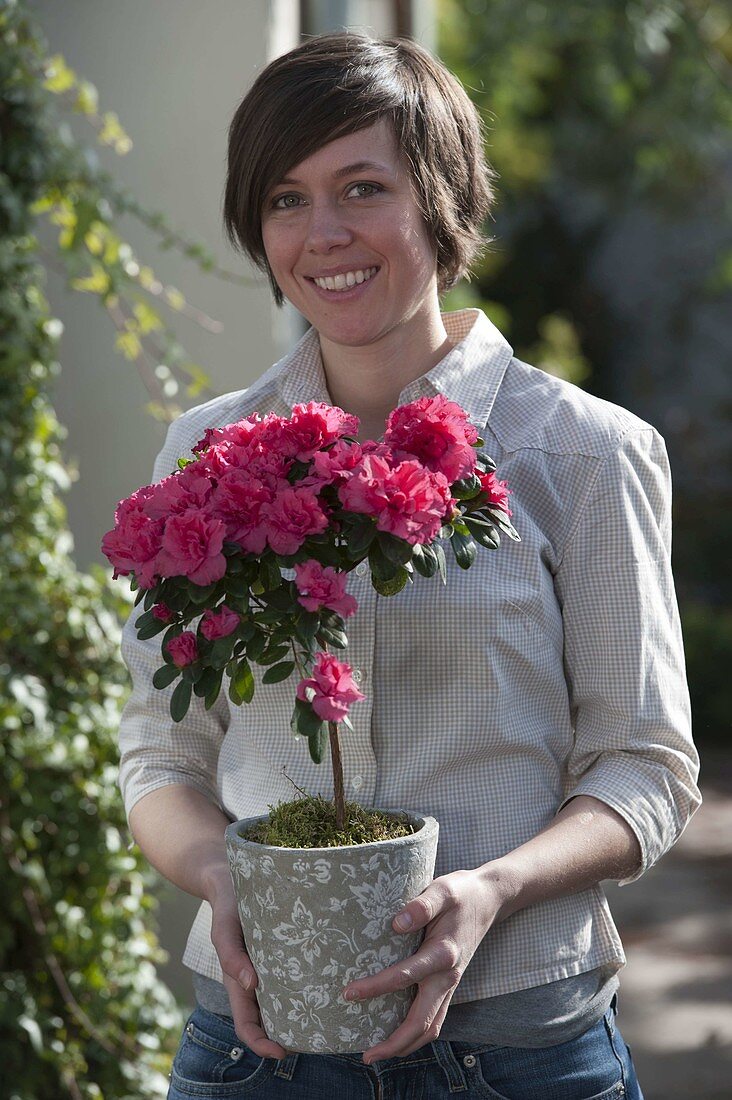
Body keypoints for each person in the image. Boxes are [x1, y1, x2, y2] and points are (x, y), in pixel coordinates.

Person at [117, 32, 700, 1099]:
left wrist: (491, 890)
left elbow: (646, 768)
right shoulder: (207, 456)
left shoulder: (581, 453)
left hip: (519, 1052)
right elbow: (160, 757)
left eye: (363, 187)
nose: (323, 233)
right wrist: (222, 873)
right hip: (263, 1054)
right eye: (285, 199)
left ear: (442, 197)